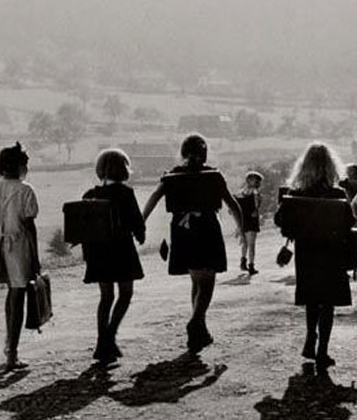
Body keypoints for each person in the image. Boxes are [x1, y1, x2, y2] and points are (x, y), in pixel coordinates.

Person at [142, 133, 244, 353]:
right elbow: (232, 204)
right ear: (204, 154)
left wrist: (141, 222)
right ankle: (196, 321)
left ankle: (200, 329)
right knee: (206, 282)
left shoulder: (172, 176)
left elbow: (153, 198)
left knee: (196, 280)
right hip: (207, 228)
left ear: (183, 152)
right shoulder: (214, 176)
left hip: (181, 230)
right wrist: (241, 229)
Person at [274, 143, 353, 369]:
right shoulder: (337, 193)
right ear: (331, 167)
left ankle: (310, 336)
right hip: (332, 253)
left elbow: (280, 220)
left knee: (312, 298)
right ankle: (323, 351)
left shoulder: (297, 193)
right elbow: (351, 221)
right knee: (327, 303)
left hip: (307, 252)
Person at [0, 142, 41, 370]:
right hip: (19, 245)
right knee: (18, 294)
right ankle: (12, 352)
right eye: (25, 164)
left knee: (12, 294)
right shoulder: (25, 190)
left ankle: (9, 345)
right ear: (18, 166)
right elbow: (30, 227)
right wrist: (35, 257)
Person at [81, 149, 146, 364]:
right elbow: (137, 222)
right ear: (124, 169)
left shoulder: (90, 195)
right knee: (125, 293)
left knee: (106, 297)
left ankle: (103, 341)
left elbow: (82, 229)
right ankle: (108, 337)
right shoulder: (126, 193)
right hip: (122, 250)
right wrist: (141, 235)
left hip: (99, 253)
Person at [339, 163, 357, 279]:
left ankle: (350, 266)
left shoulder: (347, 184)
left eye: (348, 170)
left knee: (347, 241)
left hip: (349, 215)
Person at [236, 171, 264, 275]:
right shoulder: (255, 192)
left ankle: (243, 261)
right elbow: (256, 208)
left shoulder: (241, 192)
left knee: (245, 243)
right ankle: (251, 266)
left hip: (243, 221)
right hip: (251, 221)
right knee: (251, 245)